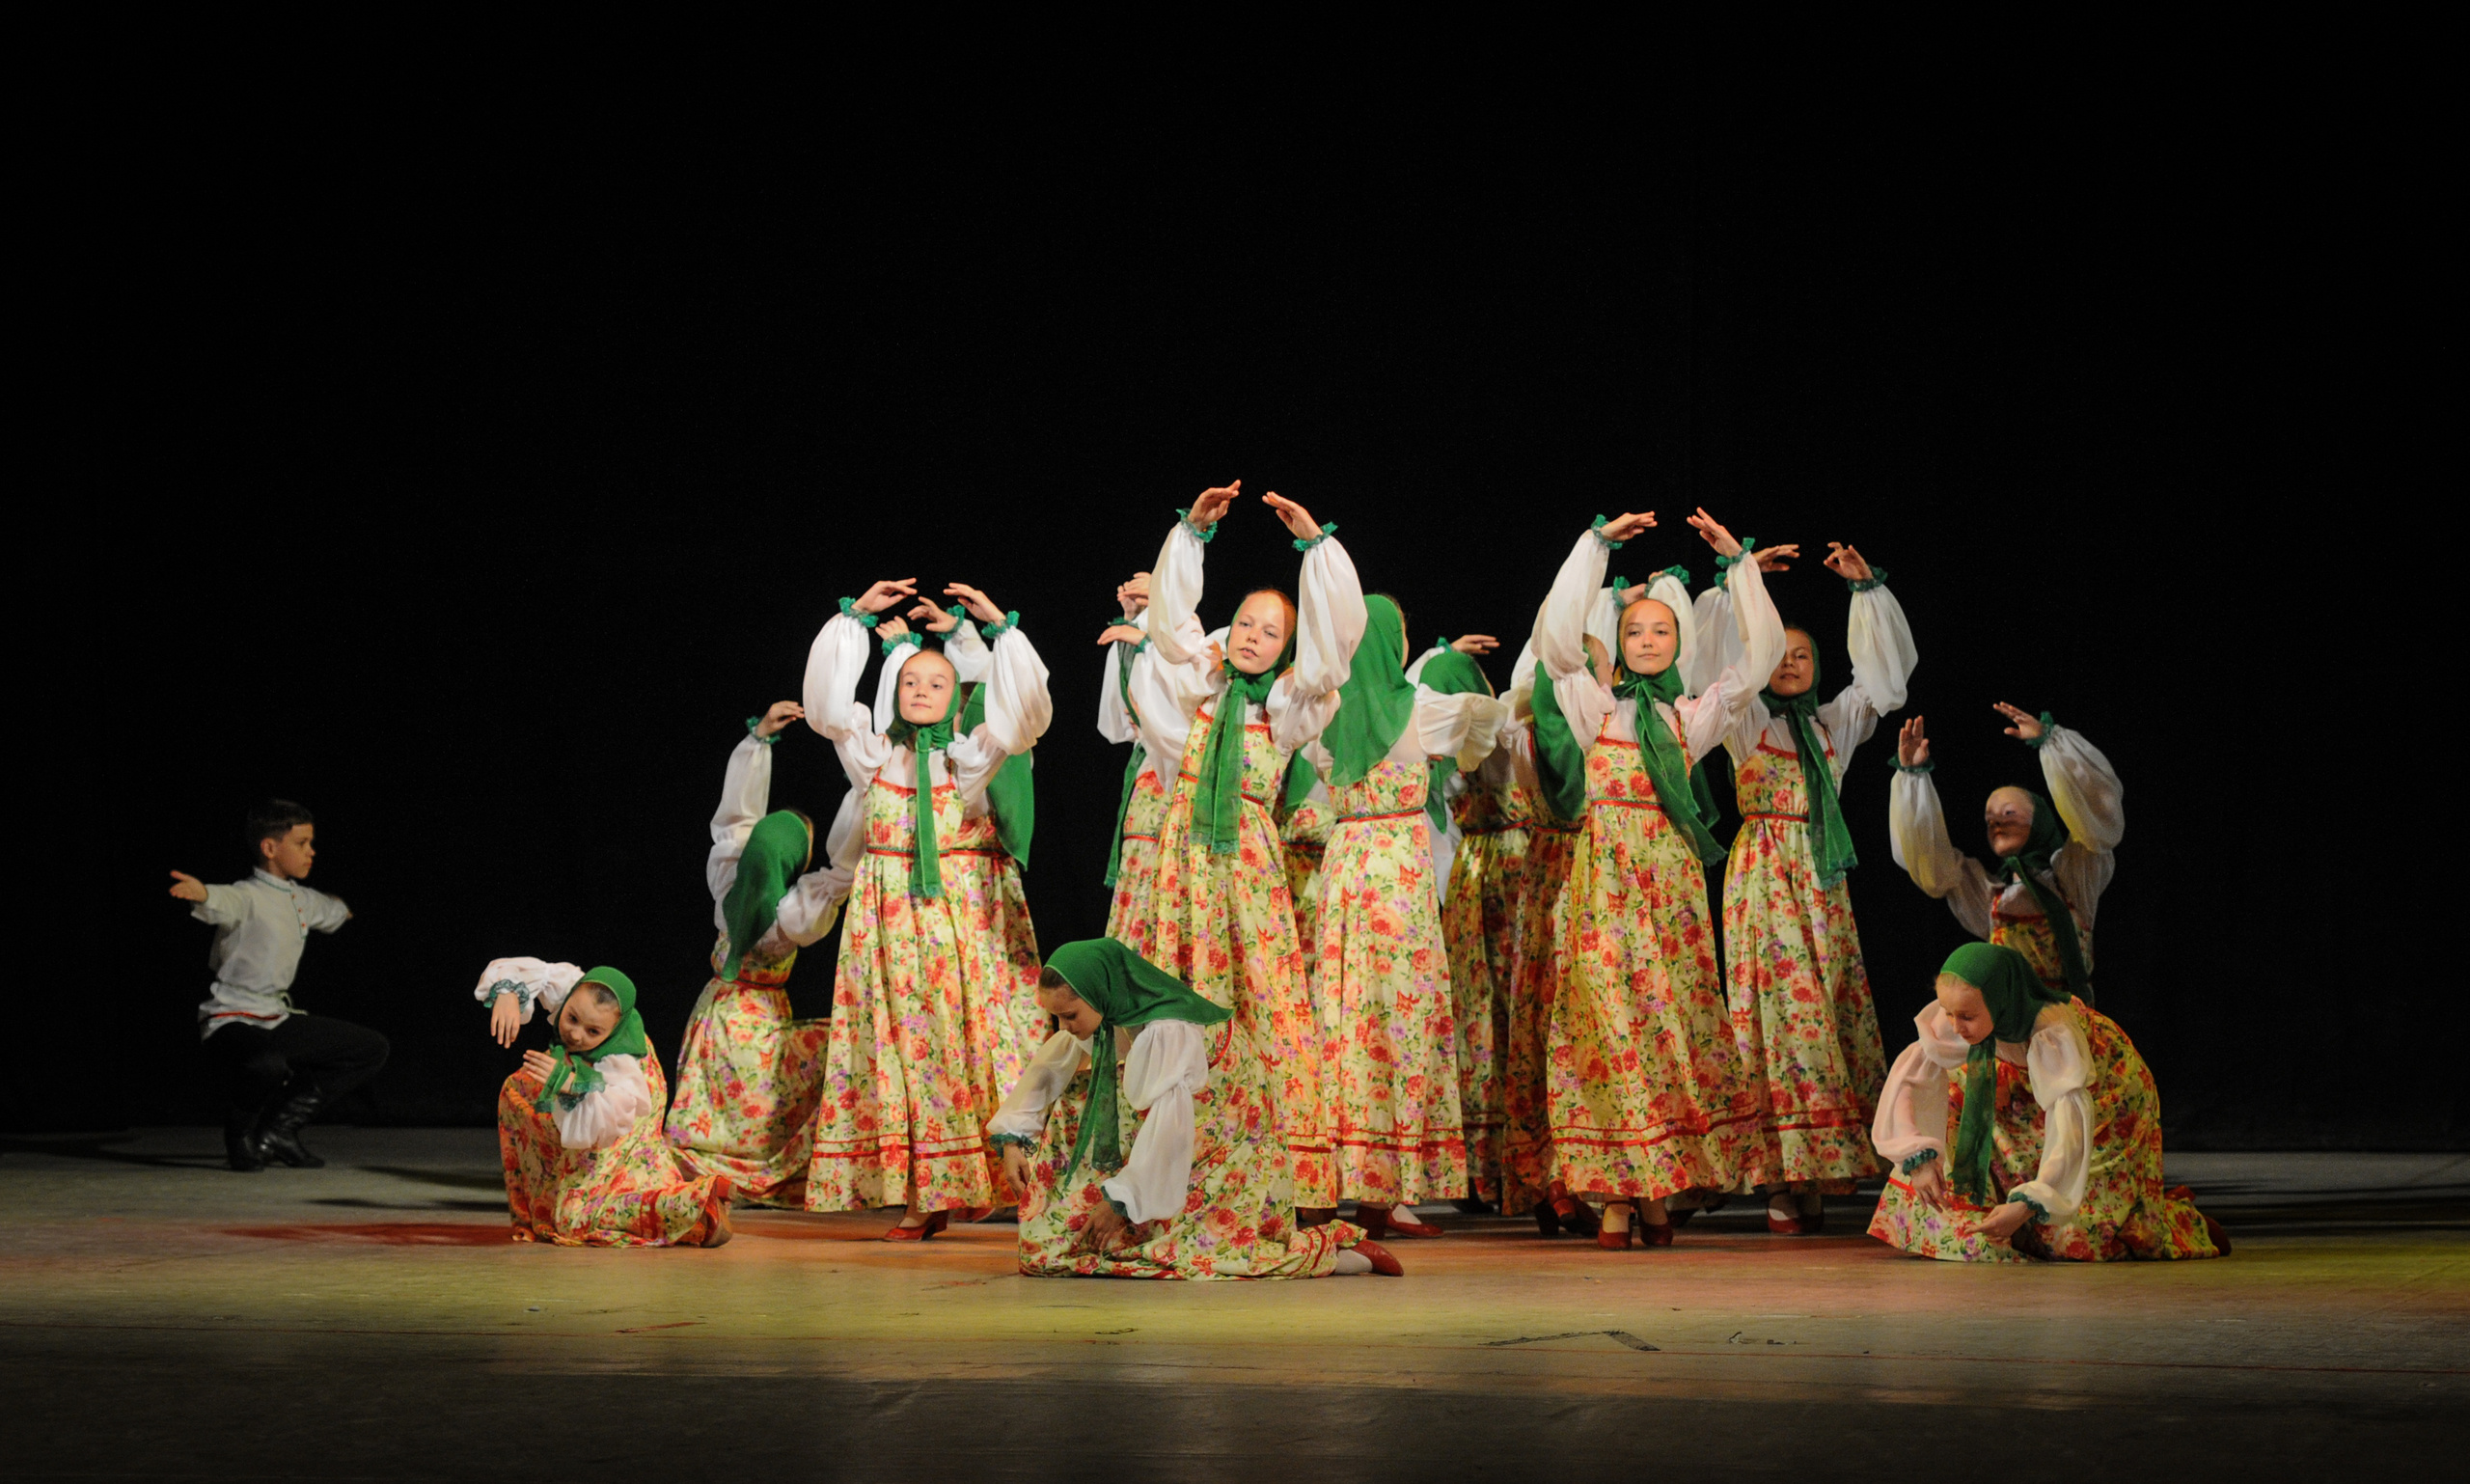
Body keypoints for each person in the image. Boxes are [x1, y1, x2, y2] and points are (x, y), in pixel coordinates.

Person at [1531, 508, 1780, 1248]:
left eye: (1660, 632)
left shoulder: (1691, 716)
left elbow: (1761, 658)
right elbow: (1554, 643)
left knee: (1664, 1029)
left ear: (1680, 643)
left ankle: (1652, 1190)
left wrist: (1741, 566)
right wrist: (1594, 549)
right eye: (1634, 632)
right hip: (1603, 887)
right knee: (1607, 1030)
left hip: (1667, 892)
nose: (1645, 641)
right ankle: (1619, 1193)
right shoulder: (1593, 708)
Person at [1116, 481, 1363, 1214]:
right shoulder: (1197, 685)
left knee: (1261, 1002)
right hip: (1181, 863)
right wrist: (1192, 533)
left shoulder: (1288, 706)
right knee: (1180, 1003)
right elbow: (1169, 628)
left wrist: (1316, 549)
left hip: (1246, 866)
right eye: (1245, 623)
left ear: (1287, 649)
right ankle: (1181, 1174)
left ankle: (1291, 1178)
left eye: (1271, 631)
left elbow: (1334, 653)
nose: (1253, 636)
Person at [801, 579, 1053, 1236]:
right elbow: (827, 704)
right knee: (902, 1050)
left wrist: (1001, 629)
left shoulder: (967, 761)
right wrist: (853, 618)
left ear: (956, 696)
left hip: (950, 925)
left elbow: (1024, 716)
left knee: (958, 1044)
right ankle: (925, 1192)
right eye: (910, 681)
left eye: (936, 683)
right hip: (884, 926)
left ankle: (992, 1178)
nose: (920, 691)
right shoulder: (872, 755)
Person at [1688, 540, 1915, 1234]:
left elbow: (1885, 684)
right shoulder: (1748, 720)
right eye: (1779, 654)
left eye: (1801, 656)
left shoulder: (1831, 726)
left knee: (1826, 1003)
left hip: (1818, 877)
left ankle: (1817, 1169)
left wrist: (1866, 593)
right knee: (1778, 1012)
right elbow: (1720, 668)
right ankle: (1780, 1179)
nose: (1789, 664)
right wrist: (1742, 578)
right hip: (1764, 877)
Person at [989, 939, 1400, 1278]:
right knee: (1051, 1250)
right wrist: (1014, 1141)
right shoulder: (1110, 1010)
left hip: (1227, 1129)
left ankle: (1341, 1254)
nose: (1065, 1027)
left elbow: (1169, 1126)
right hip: (1184, 1126)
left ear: (1099, 993)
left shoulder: (1166, 1029)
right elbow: (1051, 1064)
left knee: (1202, 1252)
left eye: (1069, 1015)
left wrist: (1121, 1202)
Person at [1300, 599, 1506, 1238]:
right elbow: (1487, 720)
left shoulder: (1324, 711)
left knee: (1344, 1015)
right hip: (1400, 870)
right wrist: (1456, 757)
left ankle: (1330, 1187)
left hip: (1347, 867)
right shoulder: (1420, 707)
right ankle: (1379, 1194)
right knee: (1398, 1016)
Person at [1867, 944, 2226, 1263]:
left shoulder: (2052, 1030)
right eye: (1948, 1012)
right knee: (1957, 1101)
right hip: (2025, 1086)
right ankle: (1990, 1207)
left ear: (2002, 1001)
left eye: (1966, 1017)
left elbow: (2070, 1125)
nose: (1954, 1026)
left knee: (2075, 1242)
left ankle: (2181, 1222)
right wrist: (1919, 1160)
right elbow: (1911, 1077)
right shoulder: (1962, 1014)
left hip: (2103, 1099)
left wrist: (2029, 1204)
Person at [664, 701, 856, 1205]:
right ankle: (756, 1171)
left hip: (716, 1009)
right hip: (761, 1018)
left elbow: (736, 823)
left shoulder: (728, 884)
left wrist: (757, 744)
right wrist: (866, 792)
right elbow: (839, 876)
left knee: (717, 1097)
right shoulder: (790, 916)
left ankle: (705, 1165)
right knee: (816, 1063)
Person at [171, 800, 388, 1172]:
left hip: (274, 1015)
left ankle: (279, 1130)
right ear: (270, 848)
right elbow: (222, 900)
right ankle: (240, 1137)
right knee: (266, 1066)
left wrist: (341, 908)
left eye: (311, 843)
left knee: (369, 1048)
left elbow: (334, 910)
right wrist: (202, 893)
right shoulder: (247, 895)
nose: (311, 852)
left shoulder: (302, 899)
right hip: (230, 1018)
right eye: (302, 843)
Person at [481, 959, 732, 1248]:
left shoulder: (620, 1060)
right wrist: (507, 994)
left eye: (593, 1032)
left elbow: (614, 1111)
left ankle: (696, 1204)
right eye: (572, 1019)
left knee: (576, 1220)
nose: (575, 1034)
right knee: (518, 1088)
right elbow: (530, 972)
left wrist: (571, 1084)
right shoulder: (578, 991)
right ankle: (537, 1209)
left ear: (612, 1030)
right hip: (589, 1090)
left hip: (621, 1104)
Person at [1889, 704, 2119, 1006]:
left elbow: (2098, 817)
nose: (1997, 822)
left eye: (2009, 813)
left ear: (2039, 822)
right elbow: (1928, 862)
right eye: (1990, 819)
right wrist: (1913, 777)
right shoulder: (1989, 896)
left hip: (2067, 1016)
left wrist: (2052, 742)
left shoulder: (2072, 879)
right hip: (2010, 1020)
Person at [1417, 638, 1515, 1209]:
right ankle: (1480, 1169)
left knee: (1501, 1019)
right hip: (1474, 890)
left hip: (1506, 882)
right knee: (1478, 1020)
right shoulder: (1445, 767)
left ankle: (1504, 1168)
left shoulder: (1505, 735)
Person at [1095, 574, 1173, 944]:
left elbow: (1178, 690)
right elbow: (1115, 724)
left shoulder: (1189, 653)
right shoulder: (1143, 754)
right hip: (1141, 819)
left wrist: (1157, 616)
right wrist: (1131, 628)